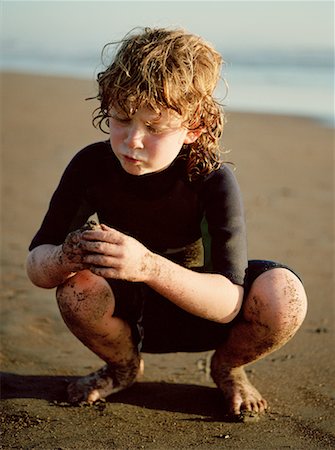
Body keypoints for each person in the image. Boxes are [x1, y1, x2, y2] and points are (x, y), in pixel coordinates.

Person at [26, 27, 307, 420]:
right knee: (77, 289)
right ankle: (122, 367)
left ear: (193, 127)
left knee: (285, 295)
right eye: (121, 119)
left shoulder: (211, 179)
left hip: (202, 307)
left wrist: (148, 266)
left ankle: (228, 367)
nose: (132, 140)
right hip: (128, 317)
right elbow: (38, 267)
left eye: (154, 128)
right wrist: (66, 254)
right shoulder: (91, 166)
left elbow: (229, 304)